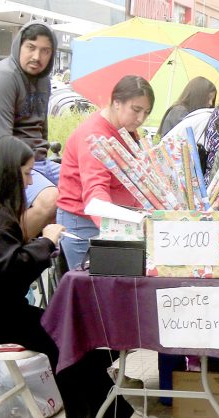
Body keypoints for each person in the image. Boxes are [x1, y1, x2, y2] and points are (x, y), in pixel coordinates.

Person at [0, 135, 162, 418]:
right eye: (27, 174)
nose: (31, 180)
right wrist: (46, 242)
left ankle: (84, 411)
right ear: (8, 173)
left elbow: (1, 265)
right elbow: (8, 269)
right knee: (68, 333)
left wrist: (41, 245)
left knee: (65, 331)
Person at [0, 21, 61, 241]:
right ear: (19, 45)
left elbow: (42, 130)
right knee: (50, 199)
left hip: (39, 161)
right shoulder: (3, 77)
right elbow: (1, 141)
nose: (37, 57)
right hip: (4, 164)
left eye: (45, 51)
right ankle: (6, 249)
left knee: (82, 188)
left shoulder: (44, 81)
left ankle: (70, 267)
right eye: (31, 47)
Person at [56, 75, 155, 271]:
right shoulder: (93, 136)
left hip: (116, 221)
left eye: (147, 112)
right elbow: (95, 191)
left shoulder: (127, 131)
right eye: (136, 110)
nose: (141, 119)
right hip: (84, 223)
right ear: (117, 103)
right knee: (92, 291)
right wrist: (117, 233)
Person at [157, 76, 217, 140]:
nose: (210, 103)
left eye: (212, 100)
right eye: (208, 98)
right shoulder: (179, 112)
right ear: (198, 96)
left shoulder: (180, 111)